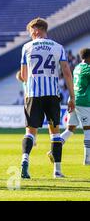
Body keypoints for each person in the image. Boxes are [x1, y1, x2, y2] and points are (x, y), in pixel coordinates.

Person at [19, 17, 75, 179]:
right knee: (55, 132)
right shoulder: (58, 47)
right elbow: (66, 71)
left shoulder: (27, 47)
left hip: (33, 95)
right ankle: (57, 171)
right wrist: (72, 96)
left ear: (36, 30)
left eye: (31, 32)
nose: (31, 35)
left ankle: (25, 161)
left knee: (30, 131)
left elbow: (24, 75)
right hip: (52, 95)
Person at [48, 48, 90, 165]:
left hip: (73, 100)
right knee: (88, 130)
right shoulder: (87, 68)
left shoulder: (77, 67)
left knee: (70, 129)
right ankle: (87, 160)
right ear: (88, 58)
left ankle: (53, 150)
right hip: (83, 102)